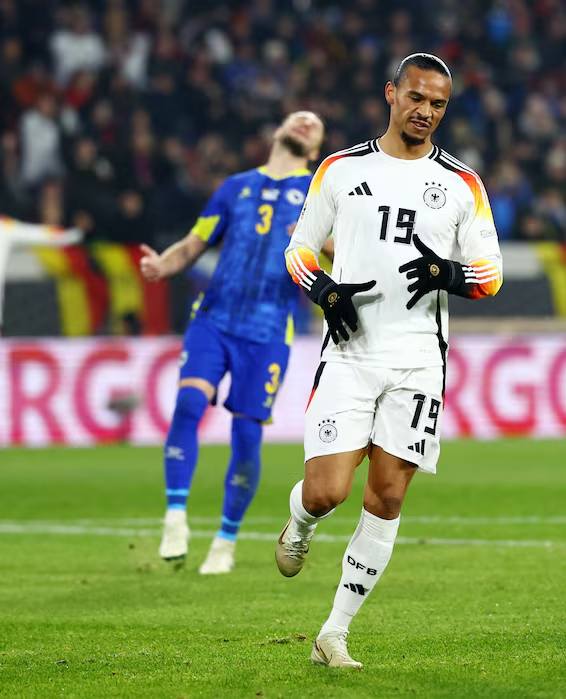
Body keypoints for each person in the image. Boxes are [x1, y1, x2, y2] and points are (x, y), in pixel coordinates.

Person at [275, 53, 502, 669]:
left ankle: (334, 633)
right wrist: (321, 290)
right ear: (391, 95)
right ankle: (299, 521)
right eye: (416, 98)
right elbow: (296, 249)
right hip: (349, 355)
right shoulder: (340, 170)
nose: (426, 112)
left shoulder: (463, 184)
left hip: (419, 363)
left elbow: (492, 276)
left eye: (438, 104)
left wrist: (447, 273)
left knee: (387, 498)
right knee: (328, 492)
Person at [139, 111, 328, 575]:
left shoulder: (318, 196)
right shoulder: (234, 187)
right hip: (215, 318)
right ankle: (175, 517)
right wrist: (164, 265)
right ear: (279, 129)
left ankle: (225, 540)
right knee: (187, 405)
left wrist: (315, 245)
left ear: (317, 149)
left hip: (267, 332)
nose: (305, 122)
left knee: (246, 435)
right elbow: (194, 243)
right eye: (298, 117)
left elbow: (346, 252)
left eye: (314, 123)